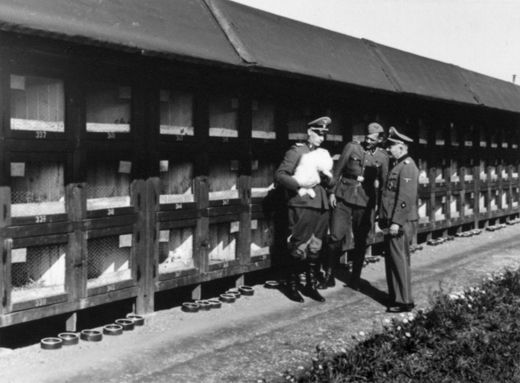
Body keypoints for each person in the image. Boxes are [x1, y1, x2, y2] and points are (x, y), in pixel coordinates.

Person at [320, 122, 388, 290]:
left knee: (361, 240)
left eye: (372, 139)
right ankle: (329, 275)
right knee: (335, 236)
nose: (367, 141)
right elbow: (338, 170)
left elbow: (385, 184)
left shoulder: (383, 156)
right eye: (366, 137)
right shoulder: (352, 147)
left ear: (379, 140)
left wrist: (381, 207)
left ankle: (355, 278)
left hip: (365, 201)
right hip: (343, 197)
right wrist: (332, 192)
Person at [274, 116, 333, 302]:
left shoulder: (323, 153)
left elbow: (330, 181)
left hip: (321, 205)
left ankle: (311, 285)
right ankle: (291, 286)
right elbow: (280, 175)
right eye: (318, 134)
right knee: (298, 245)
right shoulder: (297, 151)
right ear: (309, 132)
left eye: (324, 135)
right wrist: (299, 188)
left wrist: (328, 179)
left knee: (316, 246)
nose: (321, 138)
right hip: (303, 204)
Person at [380, 127, 419, 313]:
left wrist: (396, 222)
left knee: (399, 260)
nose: (388, 149)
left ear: (401, 147)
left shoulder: (408, 167)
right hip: (393, 220)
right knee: (394, 259)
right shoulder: (398, 165)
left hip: (401, 221)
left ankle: (404, 300)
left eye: (392, 146)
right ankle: (396, 296)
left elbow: (405, 198)